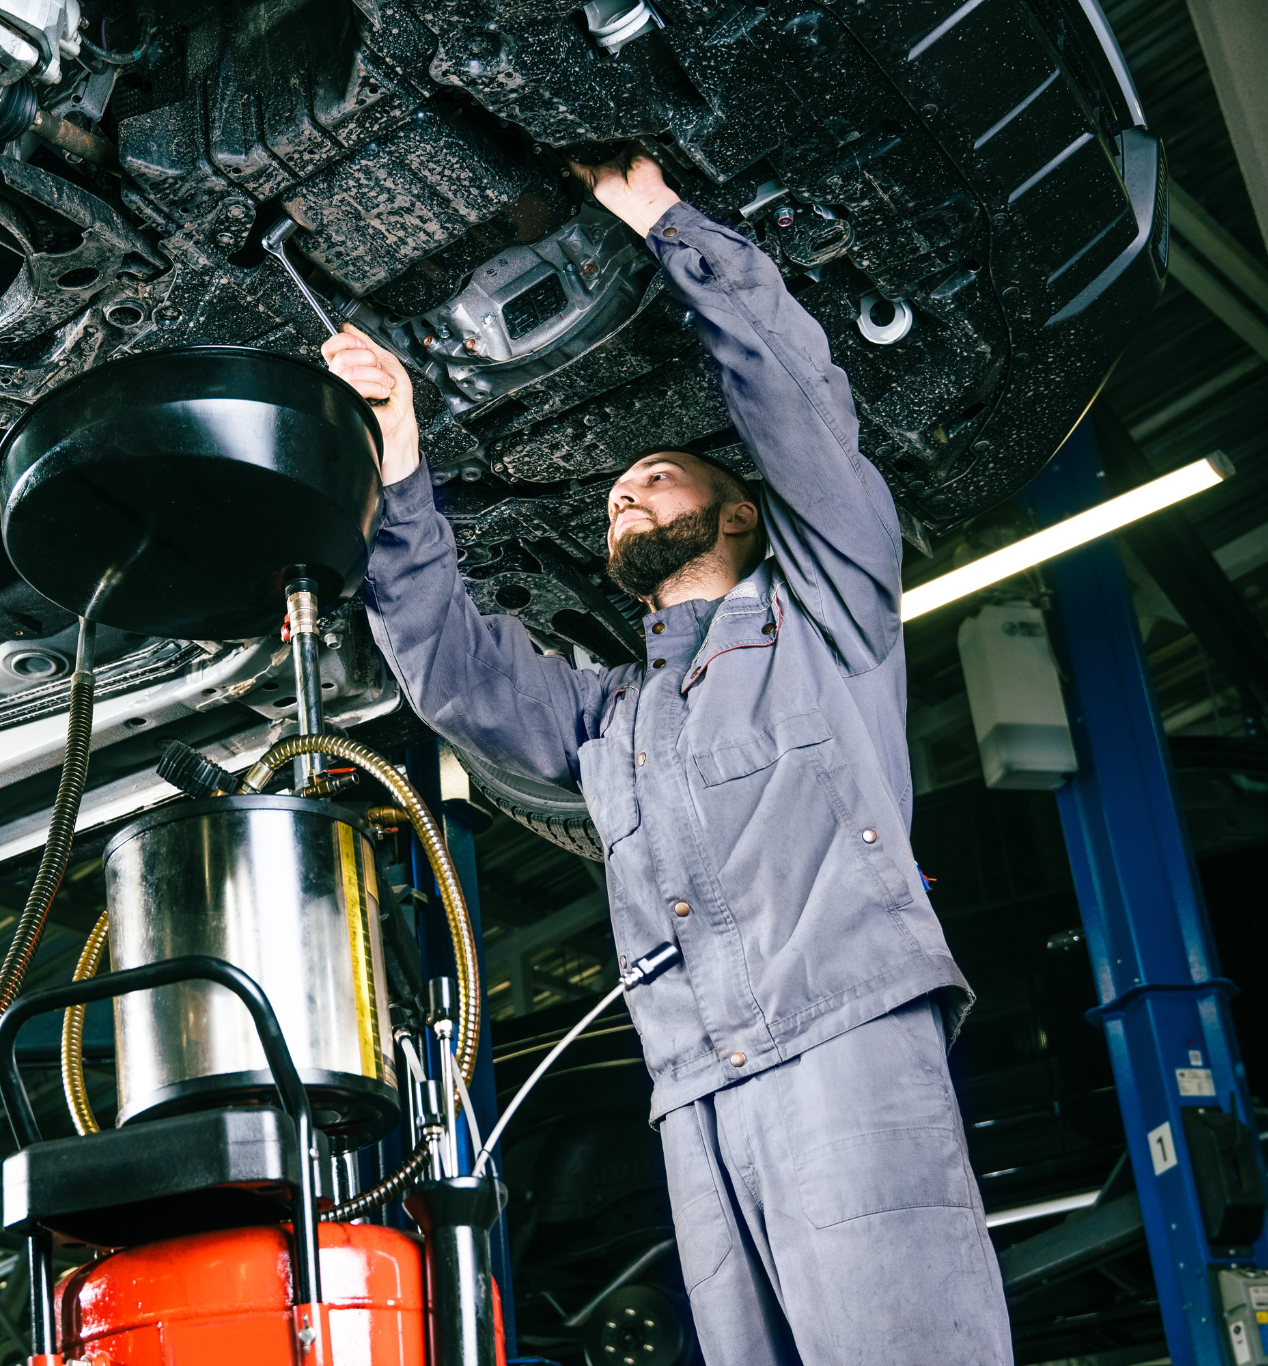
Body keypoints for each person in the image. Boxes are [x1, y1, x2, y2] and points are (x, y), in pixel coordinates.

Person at [323, 149, 1014, 1365]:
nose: (621, 497)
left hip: (843, 1031)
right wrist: (399, 454)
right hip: (693, 1083)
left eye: (651, 479)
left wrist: (663, 222)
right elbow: (447, 666)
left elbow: (795, 410)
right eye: (611, 503)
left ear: (737, 511)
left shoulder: (826, 615)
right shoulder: (614, 718)